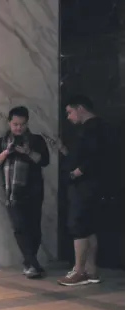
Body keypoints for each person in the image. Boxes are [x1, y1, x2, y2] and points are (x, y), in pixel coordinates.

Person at [0, 106, 50, 279]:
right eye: (15, 124)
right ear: (9, 122)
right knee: (19, 228)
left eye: (22, 124)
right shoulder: (1, 142)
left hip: (34, 191)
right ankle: (33, 264)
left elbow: (44, 161)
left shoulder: (36, 140)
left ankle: (30, 264)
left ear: (27, 123)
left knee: (34, 228)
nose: (18, 128)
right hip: (13, 195)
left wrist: (28, 152)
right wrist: (7, 152)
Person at [56, 95, 103, 286]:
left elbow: (96, 156)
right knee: (88, 227)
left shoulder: (93, 128)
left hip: (84, 185)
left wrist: (77, 172)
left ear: (80, 108)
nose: (68, 117)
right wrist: (63, 150)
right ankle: (91, 271)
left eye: (69, 112)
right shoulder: (91, 128)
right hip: (88, 185)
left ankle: (79, 271)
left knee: (78, 225)